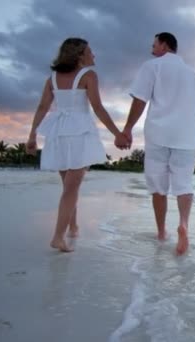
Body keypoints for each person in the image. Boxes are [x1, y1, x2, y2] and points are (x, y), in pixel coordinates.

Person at [27, 37, 129, 252]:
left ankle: (73, 225)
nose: (94, 55)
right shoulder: (89, 75)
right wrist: (117, 134)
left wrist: (32, 136)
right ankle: (58, 237)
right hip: (79, 131)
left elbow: (42, 107)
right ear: (80, 55)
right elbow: (98, 108)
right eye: (90, 51)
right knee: (72, 187)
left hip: (58, 132)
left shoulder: (52, 78)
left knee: (69, 187)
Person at [118, 32, 195, 255]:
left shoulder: (153, 66)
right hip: (187, 136)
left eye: (154, 44)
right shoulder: (192, 75)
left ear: (164, 45)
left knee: (158, 188)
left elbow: (140, 99)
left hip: (158, 134)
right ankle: (184, 224)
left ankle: (162, 232)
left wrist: (127, 128)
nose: (151, 49)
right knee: (184, 185)